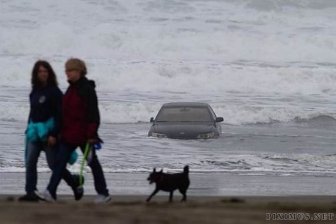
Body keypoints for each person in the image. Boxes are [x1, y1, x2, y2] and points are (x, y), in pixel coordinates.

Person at [44, 58, 111, 203]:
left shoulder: (87, 89)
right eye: (66, 71)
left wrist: (92, 134)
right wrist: (54, 133)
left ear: (79, 71)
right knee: (59, 162)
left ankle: (103, 194)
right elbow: (62, 115)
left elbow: (93, 114)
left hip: (85, 136)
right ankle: (50, 191)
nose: (67, 73)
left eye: (70, 70)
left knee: (93, 163)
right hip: (68, 135)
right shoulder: (70, 89)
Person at [19, 60, 83, 202]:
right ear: (36, 74)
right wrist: (28, 129)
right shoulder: (34, 92)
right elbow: (33, 112)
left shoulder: (54, 92)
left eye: (45, 71)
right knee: (30, 161)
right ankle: (30, 191)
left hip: (49, 134)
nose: (43, 74)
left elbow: (61, 115)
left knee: (54, 165)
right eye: (40, 71)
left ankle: (75, 183)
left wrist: (54, 133)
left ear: (49, 73)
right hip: (34, 132)